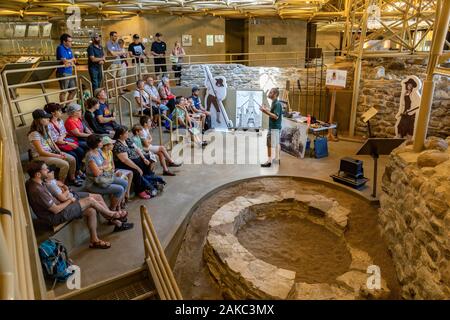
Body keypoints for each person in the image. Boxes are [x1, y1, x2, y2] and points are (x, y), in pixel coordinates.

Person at [26, 161, 133, 250]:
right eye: (45, 169)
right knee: (90, 201)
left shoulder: (36, 182)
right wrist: (69, 200)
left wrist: (66, 196)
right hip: (54, 216)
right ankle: (111, 215)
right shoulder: (37, 190)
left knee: (91, 210)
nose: (48, 171)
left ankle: (94, 240)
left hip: (59, 206)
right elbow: (55, 210)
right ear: (38, 174)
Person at [28, 109, 80, 186]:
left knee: (72, 159)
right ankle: (61, 184)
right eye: (45, 118)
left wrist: (59, 152)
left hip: (50, 152)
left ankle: (72, 178)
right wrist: (57, 155)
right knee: (64, 164)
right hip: (40, 156)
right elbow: (41, 151)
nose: (48, 119)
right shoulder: (34, 134)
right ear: (39, 120)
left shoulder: (46, 128)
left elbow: (52, 143)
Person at [84, 134, 129, 211]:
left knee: (124, 182)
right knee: (120, 189)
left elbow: (105, 164)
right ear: (96, 143)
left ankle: (117, 205)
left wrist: (102, 168)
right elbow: (97, 173)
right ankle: (113, 210)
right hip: (94, 183)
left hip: (104, 177)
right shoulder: (90, 156)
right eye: (100, 142)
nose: (102, 143)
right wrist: (103, 167)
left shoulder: (98, 151)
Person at [112, 126, 157, 199]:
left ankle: (149, 179)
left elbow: (137, 149)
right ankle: (140, 190)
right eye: (126, 133)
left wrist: (144, 158)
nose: (128, 134)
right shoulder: (117, 145)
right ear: (120, 135)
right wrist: (138, 168)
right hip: (123, 164)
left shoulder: (127, 140)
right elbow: (125, 160)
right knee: (136, 171)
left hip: (135, 158)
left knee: (149, 159)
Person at [45, 103, 86, 180]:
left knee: (80, 151)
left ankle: (78, 170)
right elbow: (54, 140)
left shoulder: (60, 121)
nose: (61, 112)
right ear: (52, 113)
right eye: (59, 110)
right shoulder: (49, 125)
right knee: (74, 155)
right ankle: (74, 175)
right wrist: (65, 141)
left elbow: (65, 132)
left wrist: (61, 137)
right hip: (58, 145)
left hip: (63, 141)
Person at [101, 136, 133, 208]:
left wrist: (114, 171)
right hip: (106, 174)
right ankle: (120, 203)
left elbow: (112, 164)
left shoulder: (110, 152)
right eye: (111, 144)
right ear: (106, 146)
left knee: (130, 173)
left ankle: (124, 197)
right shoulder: (101, 155)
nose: (113, 145)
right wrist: (114, 173)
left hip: (112, 171)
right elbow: (103, 169)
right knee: (124, 179)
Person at [260, 88, 283, 168]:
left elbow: (276, 116)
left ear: (275, 94)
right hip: (274, 127)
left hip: (274, 127)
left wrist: (264, 111)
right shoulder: (274, 102)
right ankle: (276, 159)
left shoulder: (277, 104)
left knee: (270, 144)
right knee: (275, 144)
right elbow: (273, 112)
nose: (269, 94)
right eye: (269, 92)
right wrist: (266, 109)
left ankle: (269, 161)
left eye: (271, 92)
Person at [56, 33, 77, 108]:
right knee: (64, 91)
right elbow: (64, 61)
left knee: (73, 90)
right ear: (64, 42)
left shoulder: (69, 49)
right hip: (63, 72)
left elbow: (74, 60)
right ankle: (61, 108)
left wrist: (70, 61)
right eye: (69, 41)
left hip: (70, 72)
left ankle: (67, 106)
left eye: (71, 41)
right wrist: (70, 60)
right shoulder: (60, 48)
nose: (71, 43)